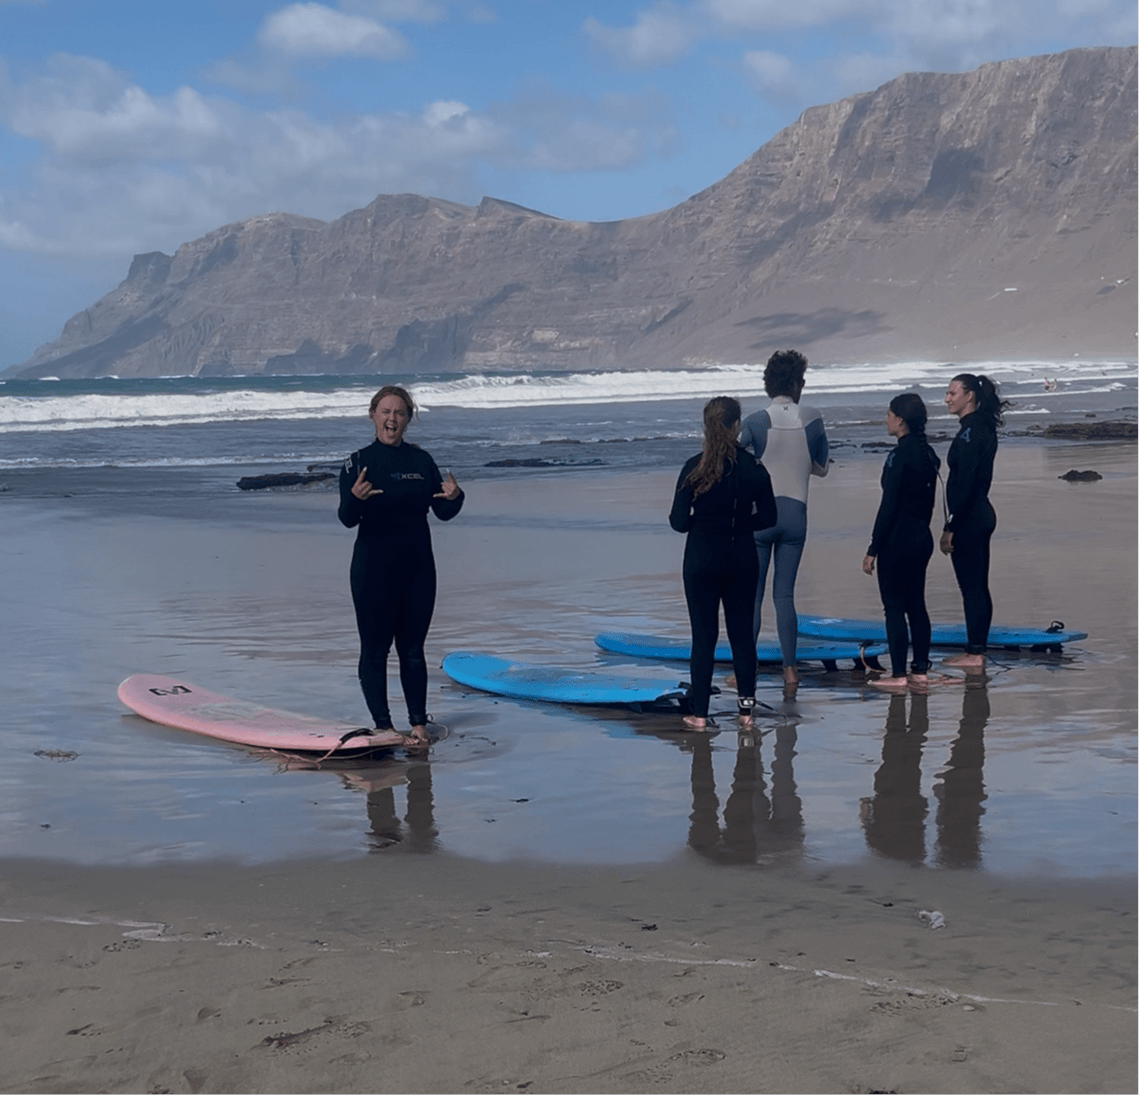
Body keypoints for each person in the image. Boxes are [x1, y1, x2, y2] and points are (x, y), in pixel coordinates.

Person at [338, 385, 463, 743]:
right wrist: (354, 499)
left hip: (417, 569)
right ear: (373, 414)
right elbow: (346, 518)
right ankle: (383, 726)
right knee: (375, 650)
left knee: (412, 649)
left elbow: (443, 510)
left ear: (408, 419)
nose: (392, 419)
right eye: (386, 412)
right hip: (372, 571)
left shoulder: (421, 462)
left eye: (400, 413)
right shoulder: (358, 462)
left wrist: (457, 496)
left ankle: (419, 725)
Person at [670, 396, 777, 731]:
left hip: (701, 559)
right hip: (742, 558)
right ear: (735, 426)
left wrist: (702, 522)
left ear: (706, 426)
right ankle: (746, 711)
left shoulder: (693, 467)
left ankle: (699, 714)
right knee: (742, 636)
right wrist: (742, 525)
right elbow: (770, 517)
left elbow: (678, 522)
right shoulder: (755, 468)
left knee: (703, 637)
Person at [739, 350, 829, 691]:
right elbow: (821, 467)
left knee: (753, 596)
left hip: (760, 518)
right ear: (795, 384)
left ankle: (745, 668)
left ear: (768, 384)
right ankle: (790, 670)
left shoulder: (755, 420)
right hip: (796, 516)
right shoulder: (813, 418)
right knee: (784, 596)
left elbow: (735, 459)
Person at [861, 394, 941, 690]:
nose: (886, 419)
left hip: (897, 539)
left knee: (894, 608)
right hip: (922, 537)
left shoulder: (897, 457)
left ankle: (898, 674)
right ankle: (919, 670)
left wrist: (873, 548)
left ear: (901, 421)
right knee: (917, 604)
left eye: (889, 414)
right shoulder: (929, 454)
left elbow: (889, 507)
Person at [939, 372, 1009, 670]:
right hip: (979, 513)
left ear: (969, 396)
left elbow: (965, 483)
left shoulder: (971, 433)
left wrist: (950, 526)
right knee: (977, 585)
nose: (947, 398)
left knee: (973, 587)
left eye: (953, 393)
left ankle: (975, 653)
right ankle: (976, 649)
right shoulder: (979, 427)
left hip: (971, 517)